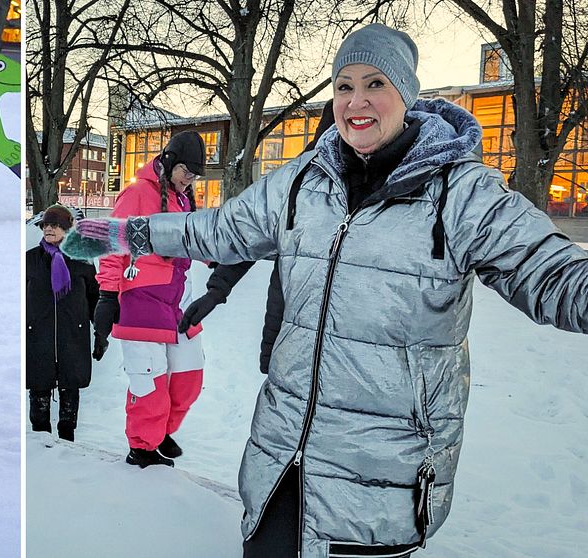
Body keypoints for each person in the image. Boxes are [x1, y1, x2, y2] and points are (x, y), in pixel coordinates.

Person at [66, 22, 588, 557]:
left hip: (380, 476)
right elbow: (218, 230)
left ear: (405, 94)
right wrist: (123, 232)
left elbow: (551, 272)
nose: (356, 101)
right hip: (281, 467)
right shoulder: (302, 182)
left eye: (375, 84)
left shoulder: (461, 193)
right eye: (343, 86)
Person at [178, 99, 336, 376]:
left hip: (346, 348)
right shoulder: (298, 183)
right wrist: (217, 289)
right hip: (286, 328)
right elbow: (253, 234)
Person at [92, 131, 207, 468]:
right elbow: (113, 243)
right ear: (169, 161)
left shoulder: (183, 199)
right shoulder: (138, 193)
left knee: (189, 378)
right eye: (187, 171)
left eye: (196, 175)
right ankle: (142, 446)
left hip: (177, 304)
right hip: (141, 302)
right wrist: (107, 294)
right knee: (150, 382)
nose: (190, 180)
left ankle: (158, 433)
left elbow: (198, 242)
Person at [25, 205, 98, 441]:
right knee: (39, 392)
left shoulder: (82, 261)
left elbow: (94, 298)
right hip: (38, 336)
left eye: (54, 225)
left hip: (72, 336)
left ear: (67, 229)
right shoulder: (30, 260)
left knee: (70, 389)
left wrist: (102, 330)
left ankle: (68, 443)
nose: (48, 229)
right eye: (45, 225)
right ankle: (40, 441)